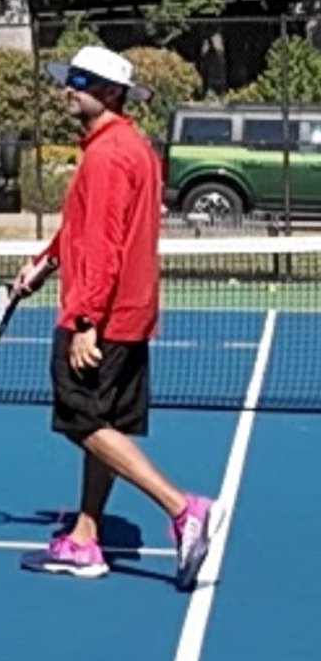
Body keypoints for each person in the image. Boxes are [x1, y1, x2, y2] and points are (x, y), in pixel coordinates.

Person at [13, 47, 219, 589]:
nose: (67, 89)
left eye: (79, 81)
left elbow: (104, 247)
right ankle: (84, 538)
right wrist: (44, 261)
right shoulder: (131, 148)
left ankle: (182, 507)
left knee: (82, 422)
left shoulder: (107, 157)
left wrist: (84, 321)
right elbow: (86, 226)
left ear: (107, 93)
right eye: (69, 78)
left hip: (102, 313)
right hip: (130, 311)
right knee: (104, 426)